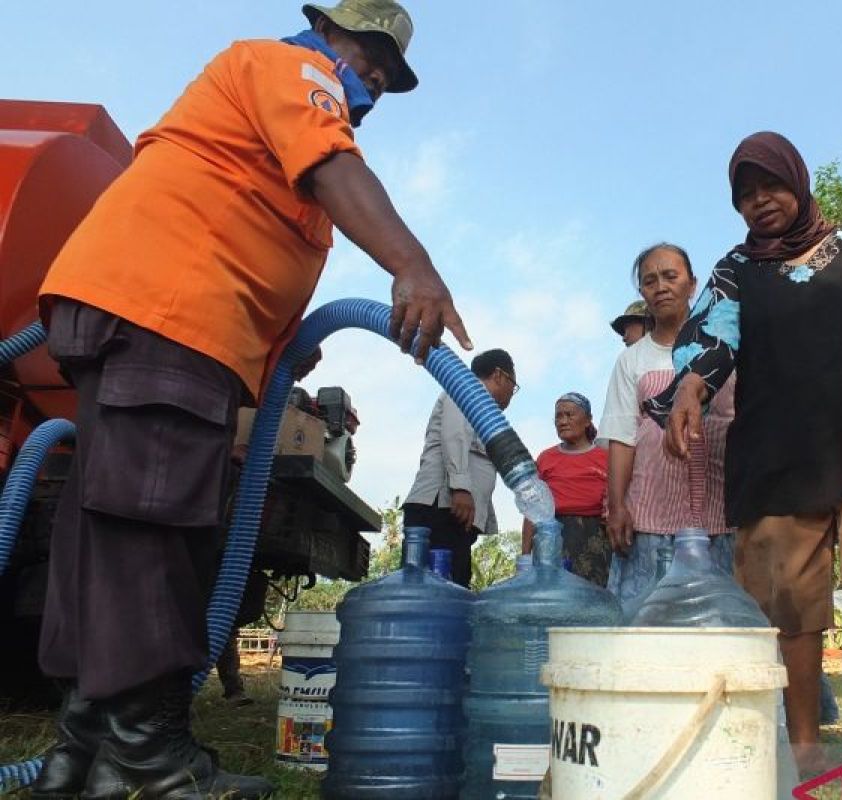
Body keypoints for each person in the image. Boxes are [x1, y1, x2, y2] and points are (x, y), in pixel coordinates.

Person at [30, 3, 471, 798]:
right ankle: (145, 757)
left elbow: (255, 235)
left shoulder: (282, 125)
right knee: (154, 528)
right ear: (328, 34)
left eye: (384, 79)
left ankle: (86, 750)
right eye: (367, 61)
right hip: (164, 311)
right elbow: (333, 165)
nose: (371, 85)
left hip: (160, 318)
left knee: (110, 527)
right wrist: (413, 264)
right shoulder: (289, 71)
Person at [649, 132, 842, 770]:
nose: (758, 203)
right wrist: (690, 389)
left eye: (769, 186)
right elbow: (709, 342)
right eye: (744, 196)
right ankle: (805, 750)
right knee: (787, 606)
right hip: (776, 451)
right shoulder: (736, 270)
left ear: (798, 183)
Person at [598, 244, 738, 609]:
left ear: (693, 285)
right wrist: (617, 508)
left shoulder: (726, 351)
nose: (660, 286)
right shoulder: (632, 360)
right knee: (643, 620)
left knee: (718, 624)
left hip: (722, 517)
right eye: (649, 281)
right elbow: (622, 438)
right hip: (650, 520)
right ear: (642, 293)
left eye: (670, 276)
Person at [404, 349, 517, 588]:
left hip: (455, 514)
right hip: (440, 507)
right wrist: (460, 488)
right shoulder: (465, 390)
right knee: (435, 589)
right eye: (513, 384)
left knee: (455, 585)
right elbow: (454, 436)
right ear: (499, 375)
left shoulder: (482, 408)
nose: (512, 393)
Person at [521, 393, 610, 586]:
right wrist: (525, 556)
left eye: (569, 415)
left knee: (593, 599)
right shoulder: (546, 458)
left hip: (595, 536)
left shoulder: (605, 457)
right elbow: (531, 509)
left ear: (588, 420)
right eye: (558, 417)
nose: (563, 421)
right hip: (552, 536)